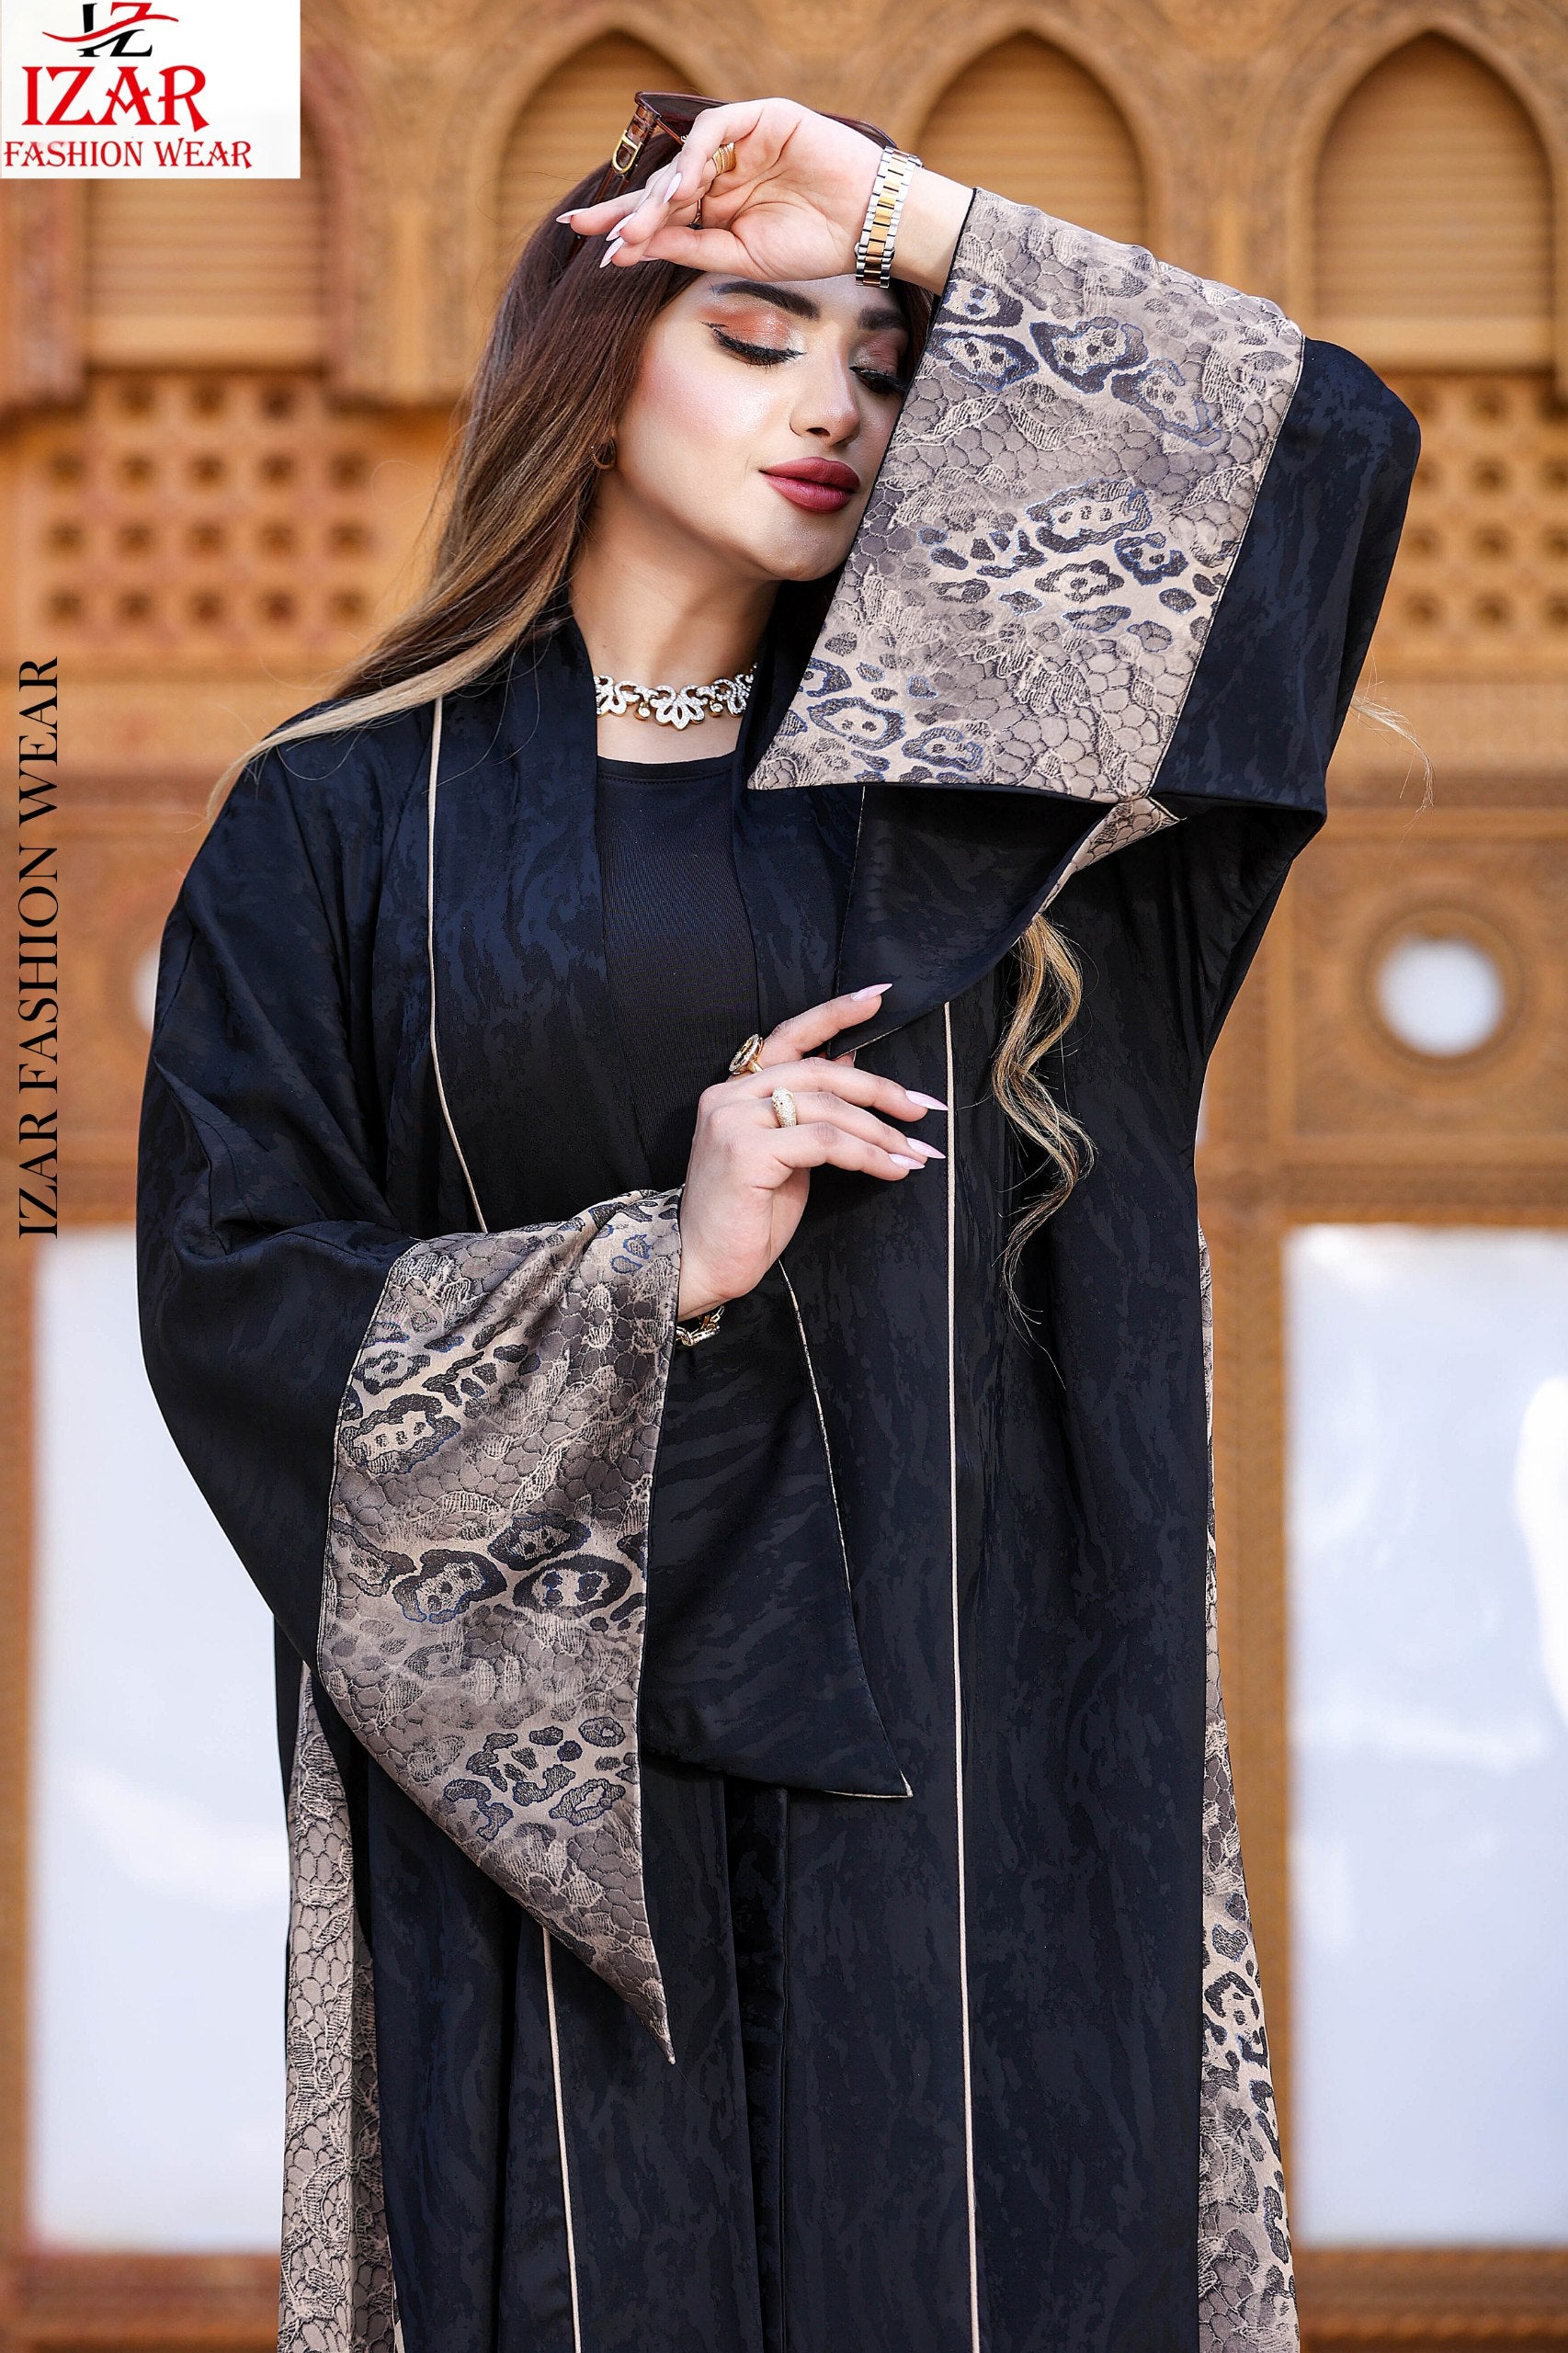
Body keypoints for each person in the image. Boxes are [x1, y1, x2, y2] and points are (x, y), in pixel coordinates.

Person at [137, 91, 1416, 2353]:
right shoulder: (338, 820)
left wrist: (897, 210)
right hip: (562, 1822)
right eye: (753, 336)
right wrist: (659, 1257)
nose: (833, 402)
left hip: (974, 1760)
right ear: (588, 370)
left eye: (886, 358)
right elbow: (232, 1295)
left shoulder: (1001, 796)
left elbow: (1321, 447)